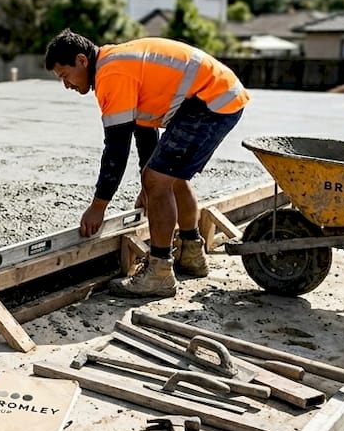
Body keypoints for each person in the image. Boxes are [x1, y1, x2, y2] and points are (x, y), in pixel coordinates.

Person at [43, 29, 249, 297]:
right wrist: (147, 185)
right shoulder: (118, 62)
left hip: (210, 102)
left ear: (82, 60)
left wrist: (98, 206)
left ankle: (160, 272)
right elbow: (145, 134)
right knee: (167, 177)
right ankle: (192, 254)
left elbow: (116, 149)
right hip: (219, 96)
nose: (66, 85)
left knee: (158, 180)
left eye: (65, 76)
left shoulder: (111, 74)